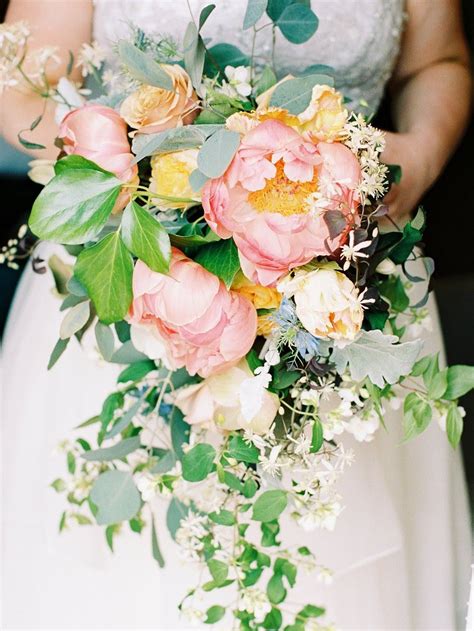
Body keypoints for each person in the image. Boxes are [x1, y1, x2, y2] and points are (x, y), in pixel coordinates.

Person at [1, 1, 472, 629]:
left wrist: (420, 156)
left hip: (353, 284)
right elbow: (18, 82)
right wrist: (150, 187)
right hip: (140, 271)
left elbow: (438, 63)